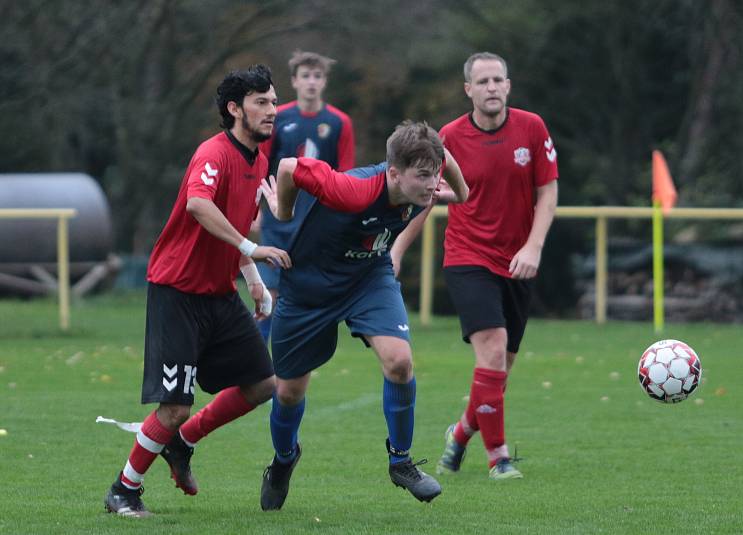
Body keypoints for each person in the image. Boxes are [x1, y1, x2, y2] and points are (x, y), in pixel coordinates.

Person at [104, 64, 292, 517]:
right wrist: (252, 248)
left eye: (273, 101)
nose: (272, 111)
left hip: (218, 293)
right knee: (173, 408)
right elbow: (198, 205)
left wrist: (253, 281)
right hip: (178, 292)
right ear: (234, 109)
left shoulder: (259, 160)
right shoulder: (214, 153)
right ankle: (123, 491)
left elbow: (233, 225)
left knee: (264, 384)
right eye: (261, 102)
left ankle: (183, 444)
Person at [257, 121, 469, 510]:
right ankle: (283, 460)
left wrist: (458, 190)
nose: (431, 183)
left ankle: (401, 461)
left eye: (434, 174)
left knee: (400, 362)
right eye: (423, 176)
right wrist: (282, 213)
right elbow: (288, 167)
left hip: (368, 278)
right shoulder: (351, 190)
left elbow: (437, 177)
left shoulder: (420, 187)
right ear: (393, 173)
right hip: (309, 287)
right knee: (288, 392)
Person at [392, 52, 559, 480]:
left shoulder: (532, 127)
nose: (491, 88)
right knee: (492, 350)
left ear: (508, 85)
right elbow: (425, 200)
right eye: (482, 81)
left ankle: (462, 433)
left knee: (499, 369)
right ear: (468, 89)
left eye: (497, 80)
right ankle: (498, 456)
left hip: (519, 262)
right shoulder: (447, 138)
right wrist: (396, 251)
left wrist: (535, 247)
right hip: (468, 258)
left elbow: (548, 191)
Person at [255, 50, 355, 344]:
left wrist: (344, 219)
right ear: (295, 82)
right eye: (306, 76)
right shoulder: (278, 117)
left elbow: (346, 175)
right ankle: (256, 366)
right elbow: (261, 163)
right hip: (277, 218)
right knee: (269, 297)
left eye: (317, 76)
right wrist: (254, 208)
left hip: (315, 222)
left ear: (324, 82)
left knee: (306, 296)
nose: (312, 82)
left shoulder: (339, 122)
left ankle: (292, 379)